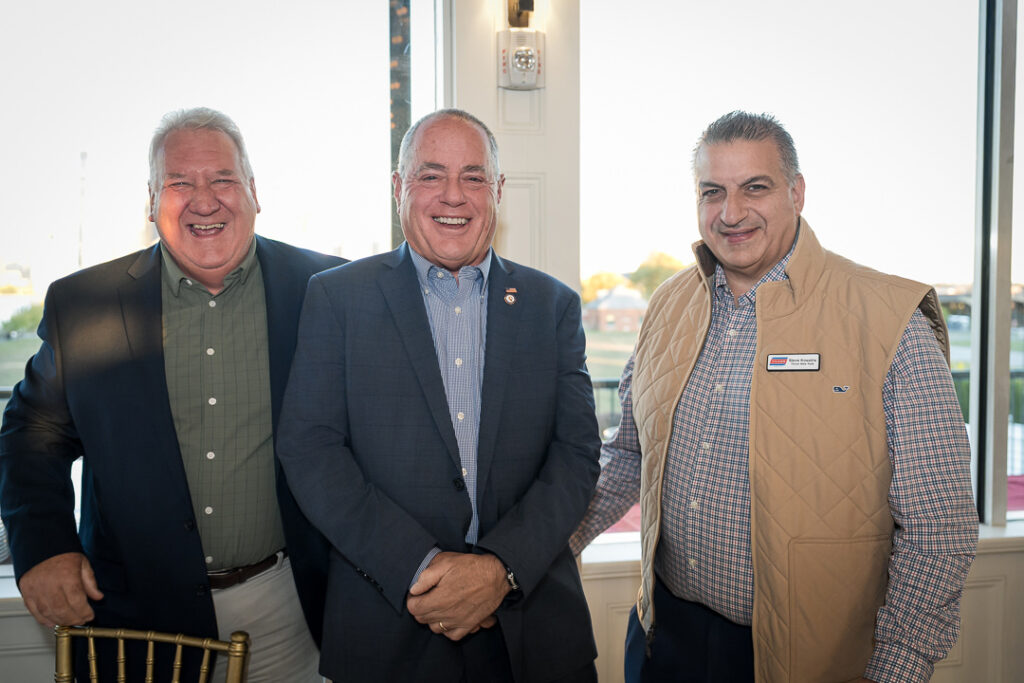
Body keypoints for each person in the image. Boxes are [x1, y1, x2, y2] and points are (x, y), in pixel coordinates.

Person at [571, 111, 978, 683]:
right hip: (665, 637)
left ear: (797, 192)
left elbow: (939, 524)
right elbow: (628, 458)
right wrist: (534, 554)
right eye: (712, 192)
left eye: (754, 188)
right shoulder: (666, 305)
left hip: (806, 657)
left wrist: (898, 668)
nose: (731, 213)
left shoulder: (890, 320)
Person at [0, 107, 345, 683]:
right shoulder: (84, 306)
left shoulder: (328, 291)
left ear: (254, 192)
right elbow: (32, 433)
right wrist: (45, 547)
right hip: (137, 624)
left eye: (222, 179)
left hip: (289, 613)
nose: (204, 201)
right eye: (179, 183)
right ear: (152, 200)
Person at [276, 108, 601, 683]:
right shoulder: (336, 299)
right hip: (390, 630)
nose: (454, 195)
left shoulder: (552, 306)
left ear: (497, 190)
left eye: (474, 177)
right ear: (398, 187)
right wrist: (422, 569)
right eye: (431, 175)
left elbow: (575, 455)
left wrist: (499, 570)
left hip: (534, 636)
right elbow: (311, 450)